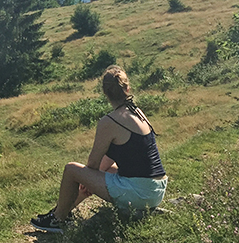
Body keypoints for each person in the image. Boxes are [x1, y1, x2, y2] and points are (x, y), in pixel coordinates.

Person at [30, 64, 167, 233]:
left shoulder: (110, 121)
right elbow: (109, 160)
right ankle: (64, 211)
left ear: (105, 92)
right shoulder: (137, 112)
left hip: (139, 194)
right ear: (127, 88)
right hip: (156, 189)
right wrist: (91, 180)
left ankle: (57, 219)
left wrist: (89, 180)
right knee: (106, 169)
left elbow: (93, 163)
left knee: (71, 169)